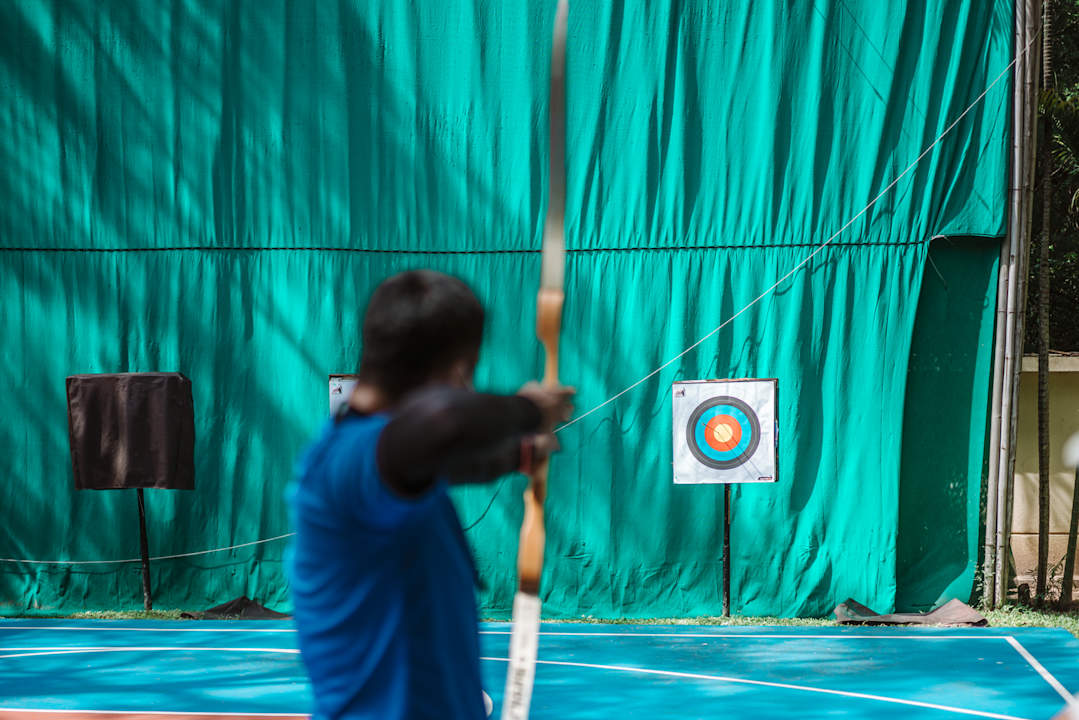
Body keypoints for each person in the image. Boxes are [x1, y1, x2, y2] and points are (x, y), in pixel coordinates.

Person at [288, 270, 573, 720]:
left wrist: (516, 456)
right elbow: (441, 423)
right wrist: (528, 409)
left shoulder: (382, 471)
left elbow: (448, 460)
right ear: (458, 369)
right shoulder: (348, 460)